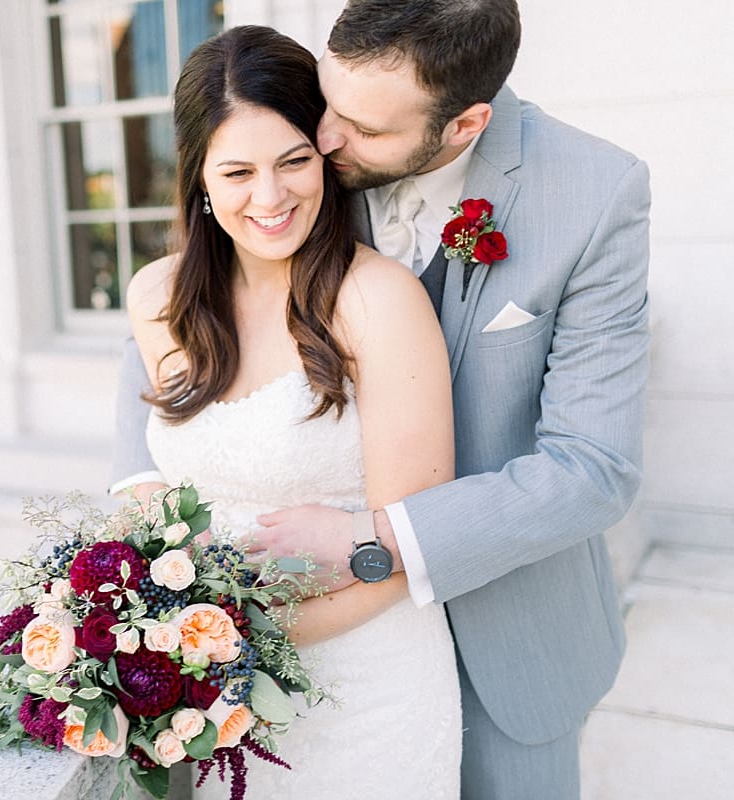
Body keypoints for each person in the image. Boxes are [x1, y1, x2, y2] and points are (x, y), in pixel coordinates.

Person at [113, 2, 652, 798]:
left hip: (506, 631)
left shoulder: (592, 194)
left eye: (358, 128)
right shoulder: (295, 159)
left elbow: (593, 467)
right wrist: (145, 533)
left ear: (463, 125)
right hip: (282, 663)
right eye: (326, 103)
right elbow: (168, 362)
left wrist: (372, 541)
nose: (326, 140)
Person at [126, 24, 462, 798]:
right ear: (200, 180)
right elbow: (157, 488)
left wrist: (215, 638)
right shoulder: (156, 300)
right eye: (238, 171)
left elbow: (418, 542)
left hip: (371, 693)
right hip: (224, 713)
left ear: (326, 156)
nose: (271, 197)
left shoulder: (378, 299)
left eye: (294, 161)